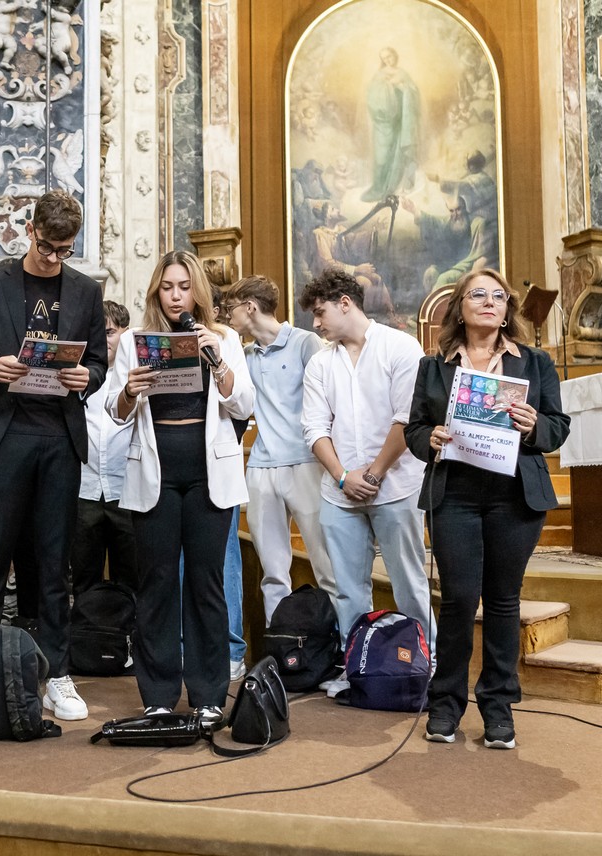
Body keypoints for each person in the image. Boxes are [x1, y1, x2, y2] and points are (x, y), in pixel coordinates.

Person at [0, 189, 109, 721]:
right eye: (47, 246)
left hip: (60, 439)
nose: (53, 258)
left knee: (52, 565)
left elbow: (99, 363)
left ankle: (57, 676)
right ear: (29, 230)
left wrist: (88, 376)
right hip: (7, 435)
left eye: (65, 250)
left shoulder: (86, 291)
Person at [404, 269, 569, 749]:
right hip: (454, 494)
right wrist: (430, 438)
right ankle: (445, 705)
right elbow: (414, 429)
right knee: (458, 599)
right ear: (459, 307)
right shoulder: (433, 367)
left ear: (507, 309)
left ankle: (498, 707)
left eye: (499, 295)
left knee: (502, 600)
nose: (490, 302)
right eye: (478, 294)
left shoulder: (534, 363)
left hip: (514, 495)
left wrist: (534, 425)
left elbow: (557, 427)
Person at [105, 249, 254, 724]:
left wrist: (218, 362)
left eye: (184, 287)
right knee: (157, 583)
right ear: (156, 292)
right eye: (167, 287)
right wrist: (129, 390)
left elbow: (244, 405)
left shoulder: (224, 338)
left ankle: (209, 695)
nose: (175, 296)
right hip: (155, 473)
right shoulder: (134, 341)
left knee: (207, 583)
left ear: (197, 292)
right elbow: (114, 411)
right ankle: (159, 694)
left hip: (210, 474)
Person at [300, 268, 432, 693]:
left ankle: (426, 663)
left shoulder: (400, 346)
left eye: (320, 313)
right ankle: (356, 666)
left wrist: (373, 473)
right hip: (340, 493)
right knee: (347, 590)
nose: (315, 324)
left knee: (408, 582)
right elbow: (314, 429)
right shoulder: (320, 363)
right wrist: (343, 477)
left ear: (345, 303)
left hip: (396, 486)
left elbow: (407, 419)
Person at [220, 275, 334, 626]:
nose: (227, 316)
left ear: (250, 307)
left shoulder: (305, 342)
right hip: (260, 468)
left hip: (306, 464)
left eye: (230, 308)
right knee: (272, 573)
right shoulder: (244, 355)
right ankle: (281, 648)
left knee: (327, 566)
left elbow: (329, 401)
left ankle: (343, 645)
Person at [70, 300, 137, 595]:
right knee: (84, 581)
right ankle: (86, 625)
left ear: (126, 332)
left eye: (108, 333)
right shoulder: (79, 377)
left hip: (127, 489)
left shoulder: (136, 375)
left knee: (131, 579)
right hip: (85, 489)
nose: (101, 340)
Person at [363, 46, 421, 201]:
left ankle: (397, 186)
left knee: (400, 153)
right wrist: (388, 86)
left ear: (395, 55)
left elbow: (414, 93)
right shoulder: (379, 75)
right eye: (384, 58)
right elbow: (372, 96)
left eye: (389, 56)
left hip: (402, 120)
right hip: (386, 122)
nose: (387, 60)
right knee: (383, 155)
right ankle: (379, 187)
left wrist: (403, 87)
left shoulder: (403, 73)